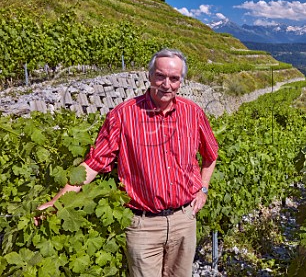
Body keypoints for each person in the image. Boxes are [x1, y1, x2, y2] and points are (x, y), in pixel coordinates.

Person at [38, 49, 219, 277]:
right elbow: (93, 165)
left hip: (184, 220)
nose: (166, 84)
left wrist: (203, 188)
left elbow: (211, 154)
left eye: (174, 79)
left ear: (181, 81)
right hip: (143, 226)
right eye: (160, 76)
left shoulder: (193, 113)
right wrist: (55, 202)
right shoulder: (123, 116)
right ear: (150, 76)